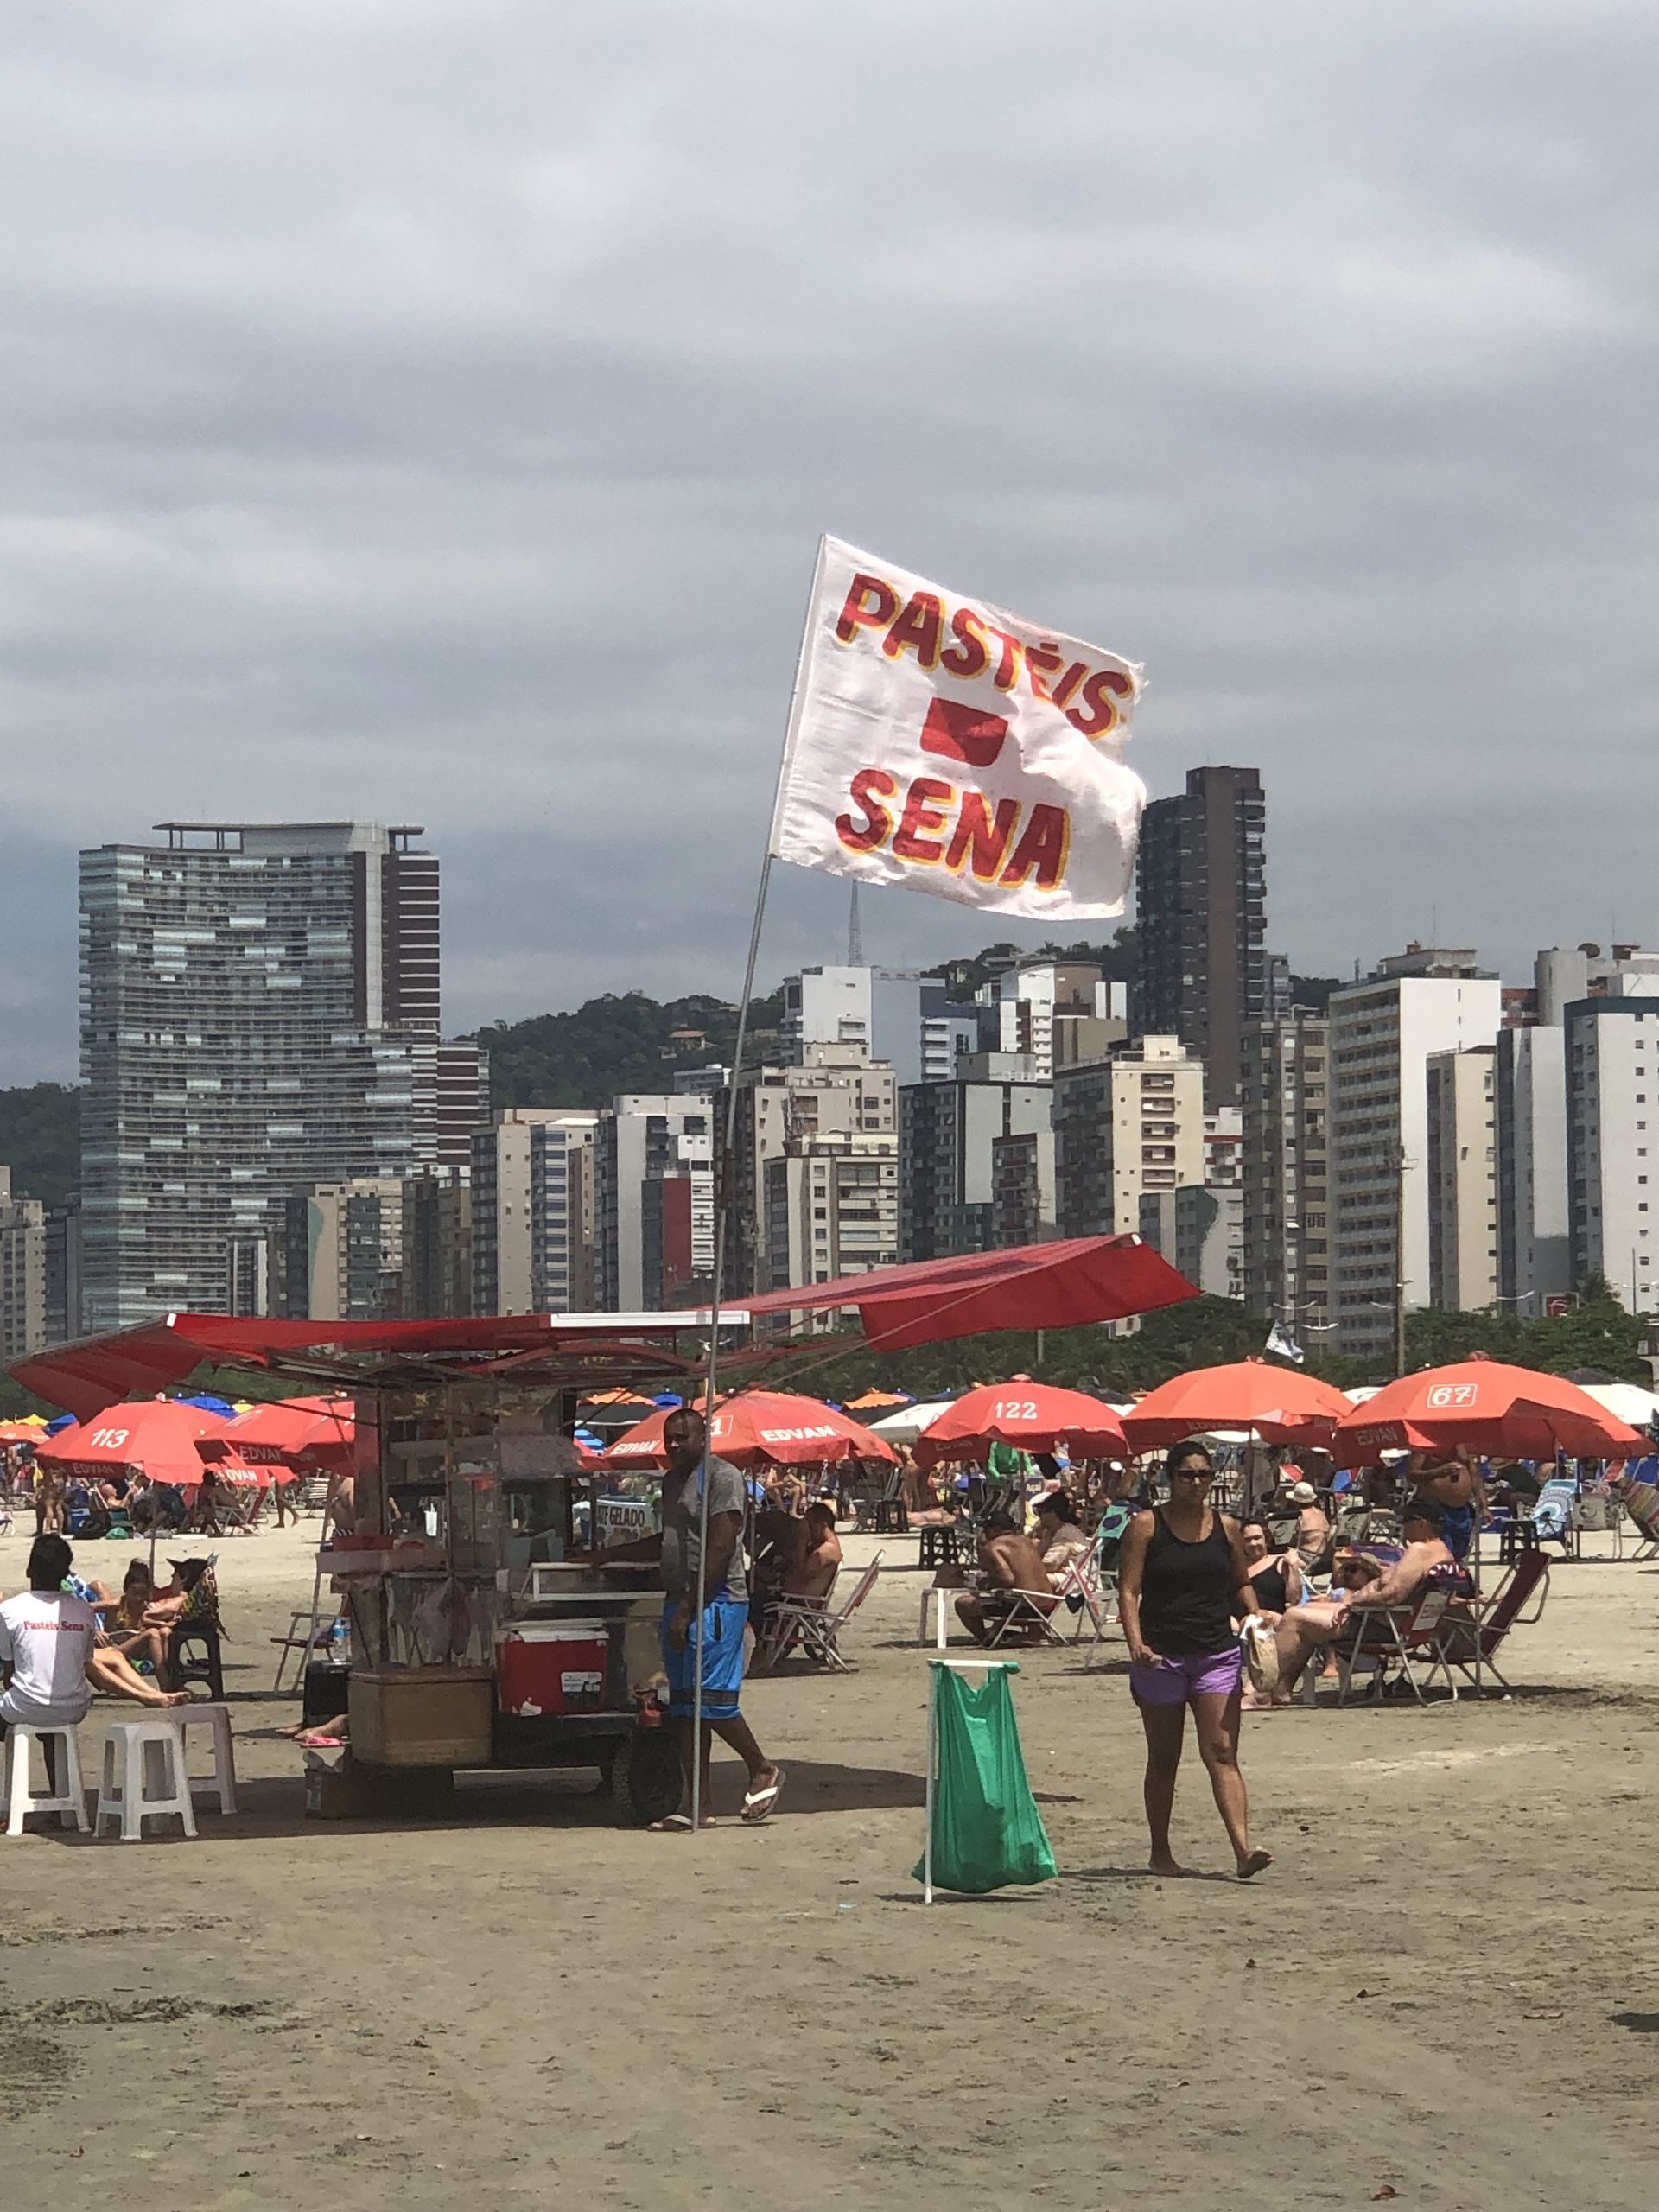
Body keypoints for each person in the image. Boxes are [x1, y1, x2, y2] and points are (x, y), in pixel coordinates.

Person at [1116, 1440, 1272, 1880]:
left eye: (1204, 1474)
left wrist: (1256, 1618)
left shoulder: (1226, 1527)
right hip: (1160, 1657)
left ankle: (1243, 1850)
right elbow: (1129, 1590)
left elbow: (1239, 1583)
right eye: (1187, 1474)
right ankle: (1160, 1852)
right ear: (1170, 1476)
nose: (1197, 1482)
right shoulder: (1146, 1526)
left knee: (1222, 1751)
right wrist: (1136, 1643)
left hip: (1216, 1653)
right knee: (1164, 1757)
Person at [655, 1408, 783, 1830]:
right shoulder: (671, 1481)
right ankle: (698, 1803)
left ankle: (761, 1766)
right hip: (678, 1598)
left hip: (717, 1601)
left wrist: (690, 1608)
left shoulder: (722, 1478)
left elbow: (721, 1546)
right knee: (685, 1707)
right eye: (669, 1438)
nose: (674, 1445)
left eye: (682, 1438)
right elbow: (671, 1539)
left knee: (713, 1701)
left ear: (703, 1436)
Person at [1269, 1496, 1464, 1700]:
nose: (1402, 1527)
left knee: (1294, 1616)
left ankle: (1265, 1690)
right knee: (1307, 1611)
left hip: (1380, 1625)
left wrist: (1353, 1602)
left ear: (1422, 1523)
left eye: (1406, 1522)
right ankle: (1281, 1690)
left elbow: (1391, 1596)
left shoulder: (1420, 1550)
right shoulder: (1443, 1553)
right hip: (1408, 1626)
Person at [0, 1536, 188, 1746]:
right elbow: (87, 1666)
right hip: (73, 1707)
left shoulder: (9, 1611)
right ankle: (61, 1779)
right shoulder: (83, 1612)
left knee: (26, 1704)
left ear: (29, 1570)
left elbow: (9, 1674)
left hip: (27, 1705)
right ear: (65, 1574)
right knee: (50, 1724)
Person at [954, 1509, 1057, 1645]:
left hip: (1024, 1607)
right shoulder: (1026, 1541)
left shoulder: (995, 1546)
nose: (984, 1533)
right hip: (1047, 1604)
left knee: (963, 1603)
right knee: (998, 1597)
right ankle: (999, 1634)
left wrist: (986, 1584)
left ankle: (985, 1639)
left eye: (986, 1529)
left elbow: (1007, 1579)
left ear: (996, 1529)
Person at [1411, 1451, 1485, 1564]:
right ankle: (1441, 1576)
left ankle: (1454, 1576)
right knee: (1440, 1549)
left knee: (1460, 1551)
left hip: (1463, 1509)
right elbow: (1412, 1474)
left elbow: (1475, 1477)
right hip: (1435, 1506)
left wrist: (1484, 1505)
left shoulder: (1464, 1446)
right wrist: (1438, 1472)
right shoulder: (1425, 1446)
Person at [780, 1499, 842, 1603]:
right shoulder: (833, 1545)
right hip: (801, 1598)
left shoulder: (824, 1552)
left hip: (802, 1602)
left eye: (810, 1525)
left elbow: (801, 1575)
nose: (809, 1530)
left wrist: (802, 1540)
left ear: (822, 1525)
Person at [1239, 1519, 1303, 1618]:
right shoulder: (1237, 1567)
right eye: (1248, 1540)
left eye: (1257, 1538)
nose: (1253, 1543)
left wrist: (1293, 1567)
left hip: (1271, 1620)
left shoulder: (1280, 1563)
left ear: (1266, 1540)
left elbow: (1294, 1599)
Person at [1032, 1488, 1091, 1591]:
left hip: (1076, 1579)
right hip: (1067, 1574)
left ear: (1053, 1513)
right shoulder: (1053, 1531)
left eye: (1041, 1512)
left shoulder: (1066, 1534)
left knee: (1028, 1579)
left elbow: (1048, 1564)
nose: (1040, 1517)